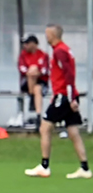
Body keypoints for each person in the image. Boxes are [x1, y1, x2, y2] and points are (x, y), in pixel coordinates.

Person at [25, 24, 91, 179]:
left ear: (53, 35)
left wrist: (70, 97)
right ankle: (85, 168)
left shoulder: (60, 51)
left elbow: (68, 74)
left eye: (47, 34)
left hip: (63, 95)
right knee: (73, 131)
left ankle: (44, 166)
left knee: (45, 127)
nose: (46, 37)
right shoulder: (64, 49)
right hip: (67, 94)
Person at [18, 35, 50, 125]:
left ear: (33, 44)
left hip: (41, 83)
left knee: (37, 89)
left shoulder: (43, 55)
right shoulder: (23, 55)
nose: (25, 46)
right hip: (26, 83)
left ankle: (38, 115)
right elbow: (21, 68)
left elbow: (45, 70)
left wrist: (36, 73)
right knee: (32, 69)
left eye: (27, 43)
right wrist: (31, 72)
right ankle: (33, 99)